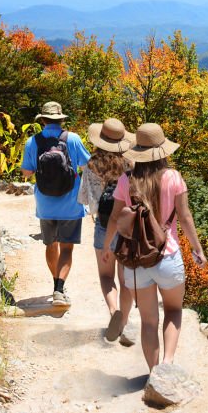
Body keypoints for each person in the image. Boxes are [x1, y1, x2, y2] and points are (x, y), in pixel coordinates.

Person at [101, 123, 207, 370]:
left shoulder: (126, 181)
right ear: (162, 151)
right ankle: (167, 365)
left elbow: (115, 218)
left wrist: (108, 248)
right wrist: (197, 249)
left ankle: (152, 373)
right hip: (168, 257)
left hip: (136, 260)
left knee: (148, 321)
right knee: (173, 311)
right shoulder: (173, 178)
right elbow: (185, 216)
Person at [21, 101, 91, 306]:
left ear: (42, 120)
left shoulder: (32, 141)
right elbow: (87, 164)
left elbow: (26, 171)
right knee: (67, 248)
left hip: (45, 203)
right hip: (70, 203)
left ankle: (56, 284)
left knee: (50, 244)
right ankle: (59, 289)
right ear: (61, 120)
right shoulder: (73, 139)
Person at [78, 118, 136, 344]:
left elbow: (85, 200)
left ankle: (113, 312)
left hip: (103, 225)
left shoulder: (91, 165)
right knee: (125, 279)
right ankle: (125, 321)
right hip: (127, 227)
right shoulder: (131, 165)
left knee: (105, 275)